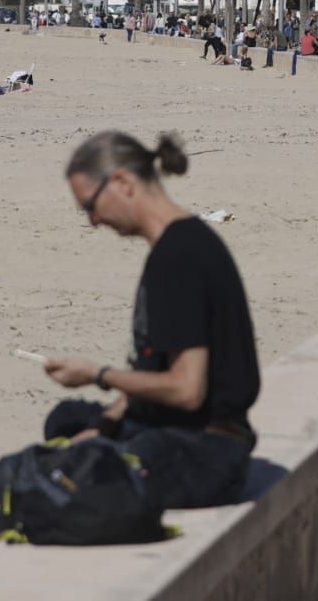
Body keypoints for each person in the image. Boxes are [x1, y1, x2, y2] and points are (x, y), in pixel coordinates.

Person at [40, 132, 260, 509]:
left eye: (91, 206)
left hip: (204, 454)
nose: (93, 221)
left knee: (34, 482)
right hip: (189, 433)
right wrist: (105, 424)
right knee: (68, 421)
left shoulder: (178, 258)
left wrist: (98, 375)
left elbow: (186, 389)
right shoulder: (185, 240)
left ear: (122, 183)